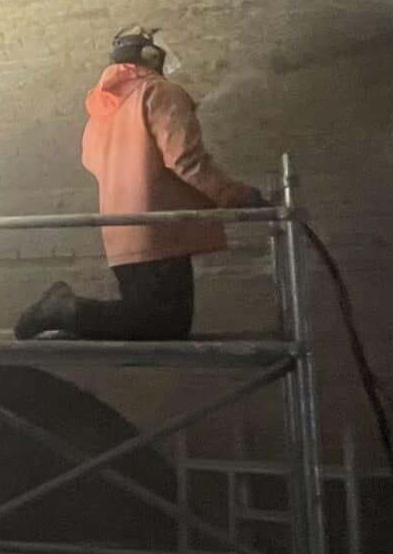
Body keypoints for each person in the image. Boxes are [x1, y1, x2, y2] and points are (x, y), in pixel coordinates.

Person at [15, 25, 265, 340]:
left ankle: (65, 310)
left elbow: (91, 161)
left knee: (155, 321)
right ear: (149, 55)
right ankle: (65, 309)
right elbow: (186, 160)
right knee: (164, 324)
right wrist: (236, 195)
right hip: (159, 229)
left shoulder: (104, 109)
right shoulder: (160, 92)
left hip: (121, 232)